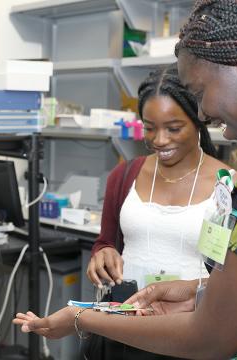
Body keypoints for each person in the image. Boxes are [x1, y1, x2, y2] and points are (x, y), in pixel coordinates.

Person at [14, 1, 237, 358]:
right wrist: (196, 290)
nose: (202, 112)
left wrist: (83, 317)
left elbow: (208, 338)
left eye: (201, 93)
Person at [88, 63, 228, 291]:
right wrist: (102, 254)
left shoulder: (227, 186)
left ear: (198, 121)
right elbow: (105, 243)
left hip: (191, 321)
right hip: (126, 319)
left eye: (173, 128)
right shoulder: (124, 176)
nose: (159, 140)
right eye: (150, 128)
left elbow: (236, 276)